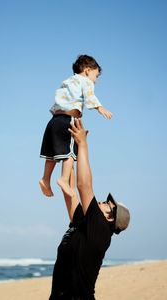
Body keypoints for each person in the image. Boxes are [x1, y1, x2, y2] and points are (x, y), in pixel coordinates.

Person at [49, 118, 130, 300]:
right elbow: (70, 190)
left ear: (110, 218)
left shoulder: (100, 231)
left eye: (106, 204)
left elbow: (84, 185)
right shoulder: (84, 226)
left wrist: (83, 145)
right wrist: (71, 150)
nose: (100, 202)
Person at [39, 54, 113, 197]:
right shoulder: (85, 81)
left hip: (54, 120)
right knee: (71, 153)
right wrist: (100, 107)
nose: (95, 81)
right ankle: (64, 180)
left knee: (52, 154)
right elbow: (90, 96)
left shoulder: (67, 81)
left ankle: (45, 179)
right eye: (96, 76)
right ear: (87, 70)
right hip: (68, 119)